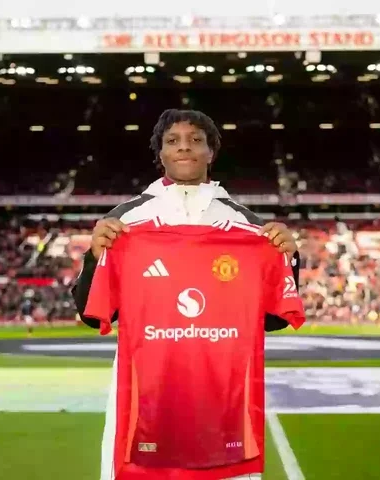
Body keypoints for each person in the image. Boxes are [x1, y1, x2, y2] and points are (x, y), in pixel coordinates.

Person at [71, 109, 300, 480]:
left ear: (212, 151)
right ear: (159, 153)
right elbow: (90, 312)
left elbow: (272, 320)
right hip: (145, 407)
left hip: (223, 409)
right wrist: (94, 256)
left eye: (196, 140)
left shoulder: (249, 227)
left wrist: (289, 257)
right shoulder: (124, 222)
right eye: (173, 141)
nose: (185, 149)